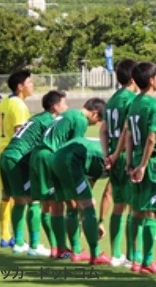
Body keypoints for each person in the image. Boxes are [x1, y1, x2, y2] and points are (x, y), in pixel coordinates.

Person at [29, 97, 105, 261]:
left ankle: (58, 249)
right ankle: (70, 249)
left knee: (53, 202)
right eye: (98, 119)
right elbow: (75, 148)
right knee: (67, 203)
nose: (96, 124)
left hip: (40, 154)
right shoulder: (81, 120)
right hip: (51, 156)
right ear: (94, 113)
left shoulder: (70, 113)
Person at [0, 90, 68, 256]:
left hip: (6, 157)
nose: (67, 106)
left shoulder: (37, 117)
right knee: (34, 201)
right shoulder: (50, 121)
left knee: (18, 201)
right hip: (18, 160)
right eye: (64, 103)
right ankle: (34, 245)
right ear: (55, 107)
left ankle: (19, 243)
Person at [125, 61, 156, 275]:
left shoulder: (134, 103)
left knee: (137, 211)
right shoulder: (153, 105)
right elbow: (152, 137)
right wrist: (143, 164)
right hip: (151, 163)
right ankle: (148, 261)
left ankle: (135, 259)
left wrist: (129, 161)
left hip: (134, 158)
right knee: (153, 211)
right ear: (151, 80)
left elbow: (130, 134)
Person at [98, 58, 138, 267]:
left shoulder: (112, 99)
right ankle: (132, 255)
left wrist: (108, 154)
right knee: (132, 206)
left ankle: (115, 254)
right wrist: (120, 154)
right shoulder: (131, 99)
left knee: (118, 205)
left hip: (114, 154)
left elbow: (103, 130)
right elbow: (127, 130)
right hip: (125, 155)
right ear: (134, 78)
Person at [50, 137, 111, 265]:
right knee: (88, 205)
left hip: (56, 158)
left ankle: (76, 251)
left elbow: (90, 182)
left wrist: (85, 219)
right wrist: (100, 222)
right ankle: (95, 254)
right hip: (71, 159)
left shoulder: (103, 151)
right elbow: (108, 194)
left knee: (73, 206)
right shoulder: (118, 158)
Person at [0, 70, 34, 248]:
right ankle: (18, 238)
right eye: (29, 82)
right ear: (20, 86)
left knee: (6, 196)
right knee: (21, 197)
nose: (32, 85)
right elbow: (20, 131)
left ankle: (5, 236)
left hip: (3, 151)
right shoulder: (18, 105)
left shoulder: (5, 101)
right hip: (16, 154)